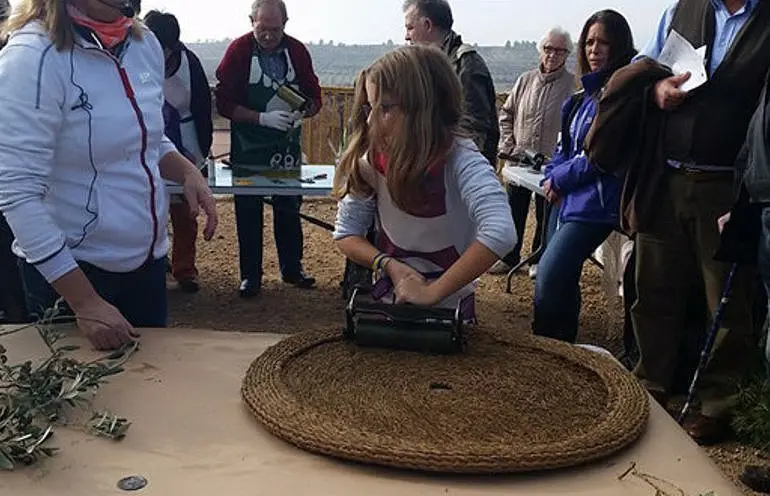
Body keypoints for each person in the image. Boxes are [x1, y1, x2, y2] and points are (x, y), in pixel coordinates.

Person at [0, 0, 218, 350]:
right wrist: (84, 302)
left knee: (151, 395)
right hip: (74, 275)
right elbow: (16, 192)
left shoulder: (144, 43)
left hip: (147, 267)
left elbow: (144, 134)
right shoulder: (32, 56)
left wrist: (186, 169)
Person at [625, 0, 770, 445]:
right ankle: (649, 387)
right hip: (667, 178)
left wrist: (747, 195)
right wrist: (656, 91)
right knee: (652, 289)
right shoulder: (680, 10)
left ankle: (717, 406)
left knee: (725, 304)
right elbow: (641, 69)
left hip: (729, 184)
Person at [331, 44, 515, 318]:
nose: (371, 122)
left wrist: (433, 292)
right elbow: (346, 232)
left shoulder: (460, 158)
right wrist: (389, 265)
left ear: (424, 109)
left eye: (386, 108)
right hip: (390, 305)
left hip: (451, 314)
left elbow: (501, 232)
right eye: (370, 108)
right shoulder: (373, 160)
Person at [533, 10, 636, 343]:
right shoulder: (579, 100)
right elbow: (562, 150)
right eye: (589, 42)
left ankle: (548, 345)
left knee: (549, 276)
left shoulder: (622, 97)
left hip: (598, 204)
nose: (594, 49)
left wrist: (559, 180)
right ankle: (562, 347)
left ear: (619, 45)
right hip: (565, 198)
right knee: (561, 277)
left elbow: (601, 158)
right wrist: (552, 178)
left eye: (603, 42)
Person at [215, 0, 322, 298]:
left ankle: (292, 267)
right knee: (248, 210)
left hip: (285, 145)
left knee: (288, 207)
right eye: (263, 29)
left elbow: (315, 95)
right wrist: (259, 117)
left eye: (275, 30)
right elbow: (223, 102)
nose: (269, 36)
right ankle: (250, 275)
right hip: (247, 148)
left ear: (285, 24)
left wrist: (305, 110)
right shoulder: (238, 51)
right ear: (252, 21)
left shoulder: (297, 51)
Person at [489, 26, 575, 278]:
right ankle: (509, 257)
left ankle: (538, 260)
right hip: (519, 160)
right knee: (513, 209)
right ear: (541, 51)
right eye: (548, 49)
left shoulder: (573, 85)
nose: (553, 55)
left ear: (567, 54)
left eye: (560, 50)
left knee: (545, 213)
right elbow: (507, 113)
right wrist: (508, 143)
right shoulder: (525, 80)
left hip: (552, 164)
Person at [144, 10, 213, 293]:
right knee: (151, 209)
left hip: (186, 142)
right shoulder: (134, 60)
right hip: (149, 141)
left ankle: (185, 269)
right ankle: (152, 265)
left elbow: (202, 110)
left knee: (186, 212)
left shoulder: (190, 64)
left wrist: (202, 153)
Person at [402, 0, 499, 166]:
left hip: (462, 171)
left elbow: (474, 130)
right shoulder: (429, 65)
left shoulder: (466, 64)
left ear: (427, 24)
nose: (406, 36)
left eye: (410, 28)